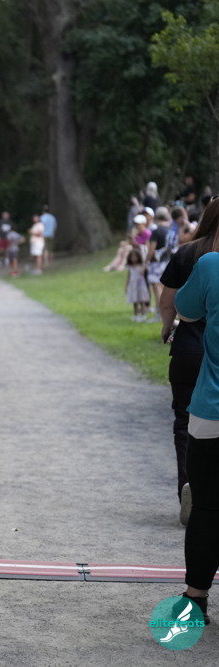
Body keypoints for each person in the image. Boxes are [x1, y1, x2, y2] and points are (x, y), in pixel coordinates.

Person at [173, 196, 219, 623]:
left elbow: (185, 310)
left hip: (212, 411)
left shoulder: (210, 265)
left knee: (206, 506)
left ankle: (196, 598)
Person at [160, 195, 218, 526]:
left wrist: (166, 328)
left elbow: (168, 302)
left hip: (189, 348)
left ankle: (190, 487)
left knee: (185, 423)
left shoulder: (187, 253)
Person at [146, 207, 177, 322]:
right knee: (166, 289)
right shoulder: (170, 229)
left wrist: (146, 260)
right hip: (168, 261)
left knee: (157, 287)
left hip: (157, 263)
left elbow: (152, 249)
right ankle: (170, 313)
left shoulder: (156, 231)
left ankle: (159, 314)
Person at [125, 247, 150, 322]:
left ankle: (143, 315)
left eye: (135, 256)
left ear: (139, 257)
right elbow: (129, 276)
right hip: (133, 287)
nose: (133, 258)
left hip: (140, 286)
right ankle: (135, 314)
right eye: (132, 257)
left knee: (142, 300)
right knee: (134, 301)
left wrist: (145, 263)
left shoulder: (141, 266)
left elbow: (146, 266)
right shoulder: (130, 267)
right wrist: (126, 286)